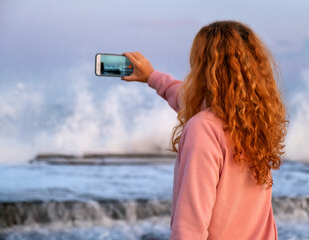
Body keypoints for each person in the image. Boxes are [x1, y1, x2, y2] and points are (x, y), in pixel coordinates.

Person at [122, 20, 287, 240]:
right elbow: (187, 99)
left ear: (204, 69)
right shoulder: (254, 122)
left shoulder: (203, 129)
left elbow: (190, 228)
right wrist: (152, 77)